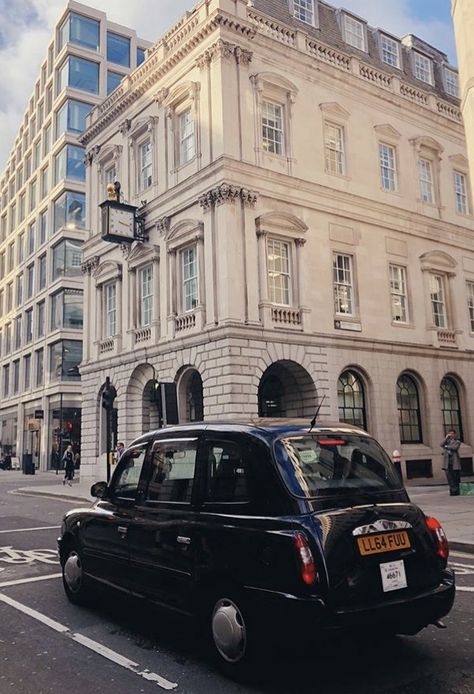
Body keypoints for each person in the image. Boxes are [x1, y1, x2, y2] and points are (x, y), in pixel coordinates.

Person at [441, 430, 461, 496]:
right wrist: (446, 438)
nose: (451, 435)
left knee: (456, 477)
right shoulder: (447, 441)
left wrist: (446, 447)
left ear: (455, 434)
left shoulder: (457, 441)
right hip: (447, 463)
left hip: (454, 462)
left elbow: (455, 448)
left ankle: (456, 491)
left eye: (452, 434)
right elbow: (441, 444)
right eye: (450, 434)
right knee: (449, 477)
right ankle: (452, 491)